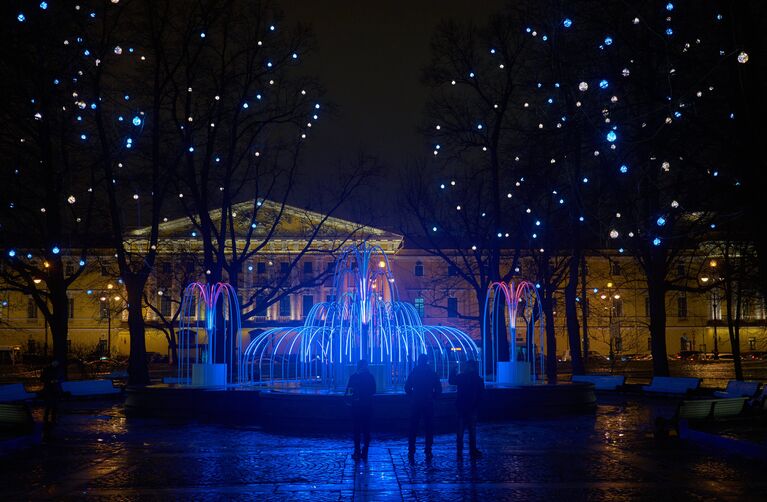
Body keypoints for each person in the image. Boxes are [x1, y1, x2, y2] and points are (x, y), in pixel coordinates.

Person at [404, 354, 442, 460]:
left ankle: (411, 447)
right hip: (428, 402)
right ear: (427, 361)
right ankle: (428, 447)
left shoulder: (414, 372)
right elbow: (438, 389)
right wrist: (433, 396)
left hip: (416, 402)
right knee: (429, 426)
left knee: (413, 425)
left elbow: (407, 387)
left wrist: (413, 396)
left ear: (419, 361)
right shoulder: (432, 373)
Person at [449, 359, 484, 458]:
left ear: (470, 367)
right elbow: (482, 393)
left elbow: (451, 381)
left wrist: (453, 371)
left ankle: (459, 449)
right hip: (472, 407)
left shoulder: (462, 377)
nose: (465, 367)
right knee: (472, 430)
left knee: (460, 430)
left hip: (461, 407)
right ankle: (472, 450)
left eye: (466, 365)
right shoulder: (477, 378)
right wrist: (477, 403)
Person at [345, 359, 376, 460]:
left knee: (356, 430)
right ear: (366, 366)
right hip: (368, 407)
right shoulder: (370, 377)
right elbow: (374, 390)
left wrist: (349, 402)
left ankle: (357, 451)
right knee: (367, 429)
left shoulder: (354, 377)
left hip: (356, 407)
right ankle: (365, 450)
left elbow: (349, 392)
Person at [41, 360, 63, 440]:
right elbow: (43, 379)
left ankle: (51, 419)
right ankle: (47, 419)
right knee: (49, 405)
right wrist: (51, 381)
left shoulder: (55, 369)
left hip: (54, 390)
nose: (56, 364)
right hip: (50, 390)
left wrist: (57, 382)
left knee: (54, 405)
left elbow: (59, 378)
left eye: (57, 363)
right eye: (55, 363)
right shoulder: (48, 369)